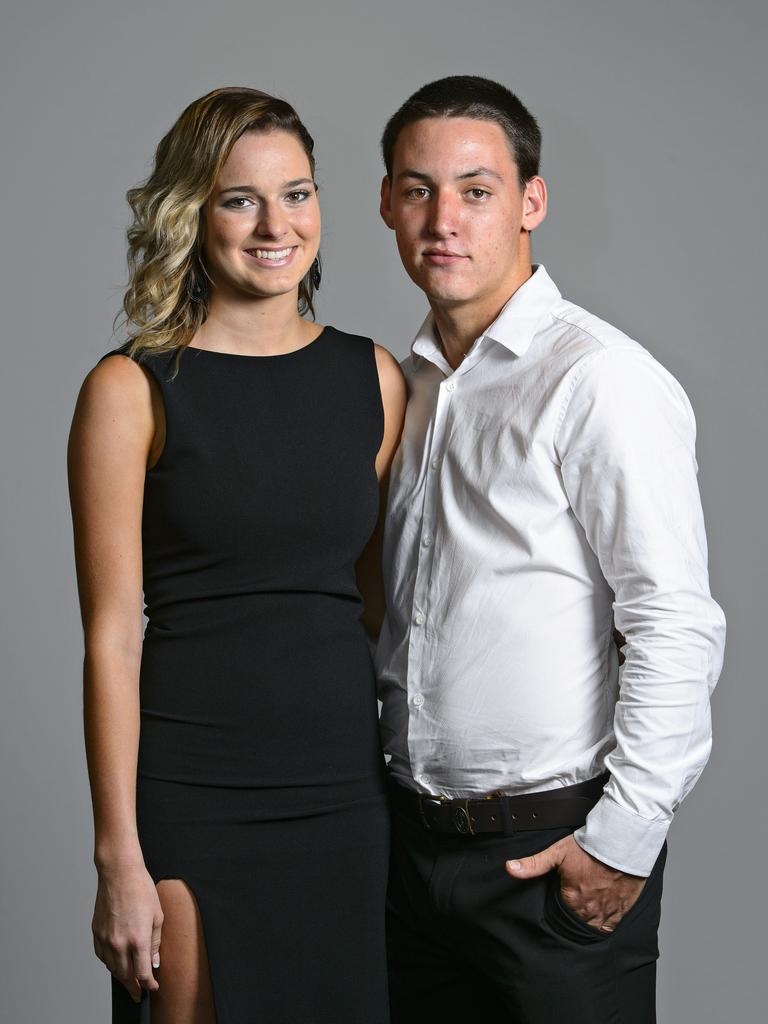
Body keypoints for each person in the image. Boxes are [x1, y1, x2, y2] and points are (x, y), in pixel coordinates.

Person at [375, 75, 726, 1023]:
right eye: (418, 189)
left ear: (531, 201)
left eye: (477, 190)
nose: (444, 219)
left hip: (547, 855)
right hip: (409, 855)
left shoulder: (598, 378)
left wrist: (623, 839)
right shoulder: (406, 387)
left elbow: (673, 621)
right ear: (386, 205)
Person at [68, 86, 405, 1023]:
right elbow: (111, 639)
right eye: (239, 198)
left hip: (345, 802)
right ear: (192, 213)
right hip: (194, 797)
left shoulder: (372, 378)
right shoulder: (131, 389)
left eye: (297, 194)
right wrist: (118, 858)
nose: (275, 225)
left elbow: (378, 612)